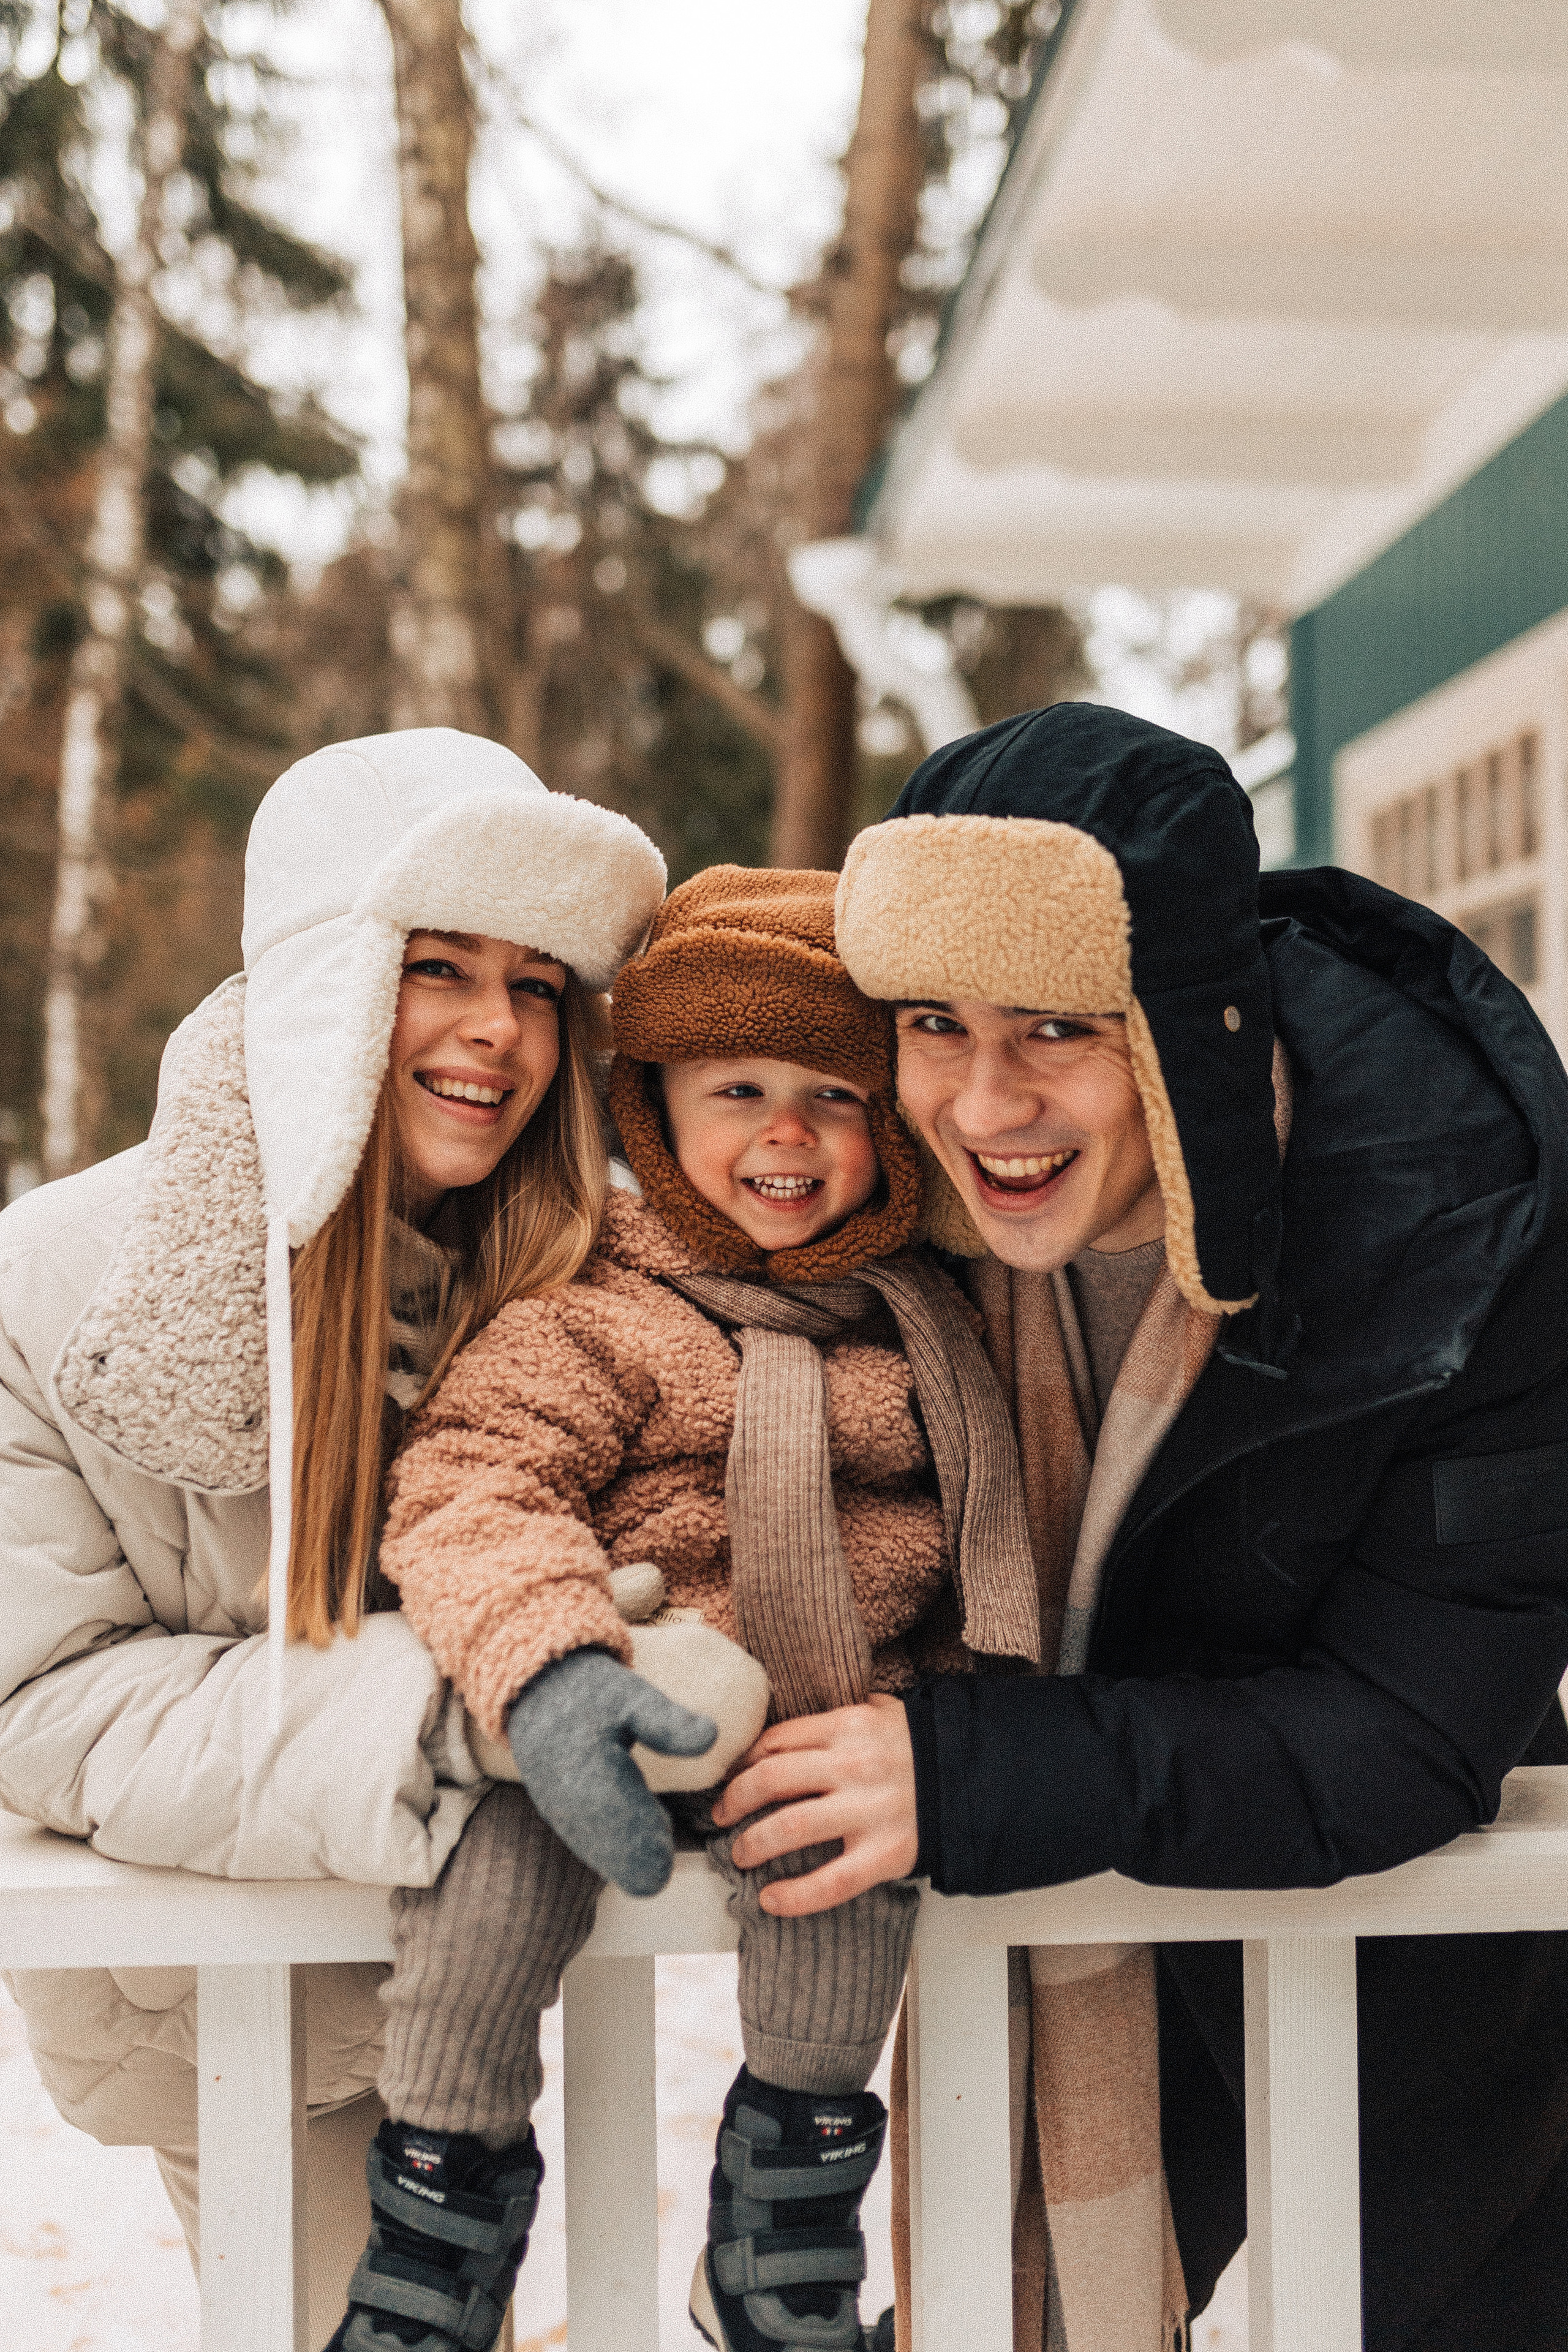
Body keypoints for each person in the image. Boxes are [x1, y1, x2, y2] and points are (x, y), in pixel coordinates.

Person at [714, 703, 1568, 2351]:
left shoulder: (1453, 1224)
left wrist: (973, 1773)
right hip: (1064, 1968)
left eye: (1058, 1027)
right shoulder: (864, 1207)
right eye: (934, 1024)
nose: (985, 1104)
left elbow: (1409, 1723)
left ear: (1188, 1023)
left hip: (1408, 1975)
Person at [0, 726, 666, 2349]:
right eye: (440, 968)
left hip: (503, 1979)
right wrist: (471, 1701)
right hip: (228, 2001)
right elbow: (39, 1701)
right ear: (326, 981)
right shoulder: (54, 1284)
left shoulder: (592, 1276)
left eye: (535, 985)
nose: (497, 1029)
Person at [331, 867, 1041, 2352]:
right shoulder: (594, 1305)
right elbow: (473, 1482)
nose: (786, 1135)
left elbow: (977, 1534)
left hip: (825, 1710)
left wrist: (962, 1696)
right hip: (614, 1683)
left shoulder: (927, 1323)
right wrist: (552, 1672)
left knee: (845, 1861)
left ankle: (785, 2217)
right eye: (736, 1092)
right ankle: (439, 2215)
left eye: (834, 1097)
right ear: (650, 1109)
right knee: (487, 1874)